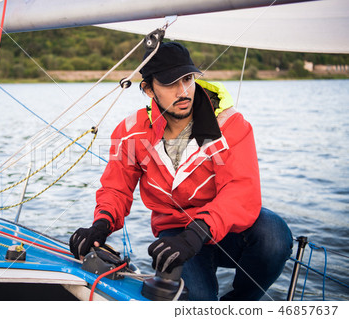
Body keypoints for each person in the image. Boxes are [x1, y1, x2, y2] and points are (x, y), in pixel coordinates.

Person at [69, 42, 293, 300]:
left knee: (275, 236)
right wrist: (101, 225)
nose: (183, 90)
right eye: (169, 82)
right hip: (176, 233)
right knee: (199, 302)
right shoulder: (131, 131)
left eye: (187, 79)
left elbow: (240, 190)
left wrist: (198, 232)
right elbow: (116, 187)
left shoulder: (231, 125)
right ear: (148, 89)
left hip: (227, 231)